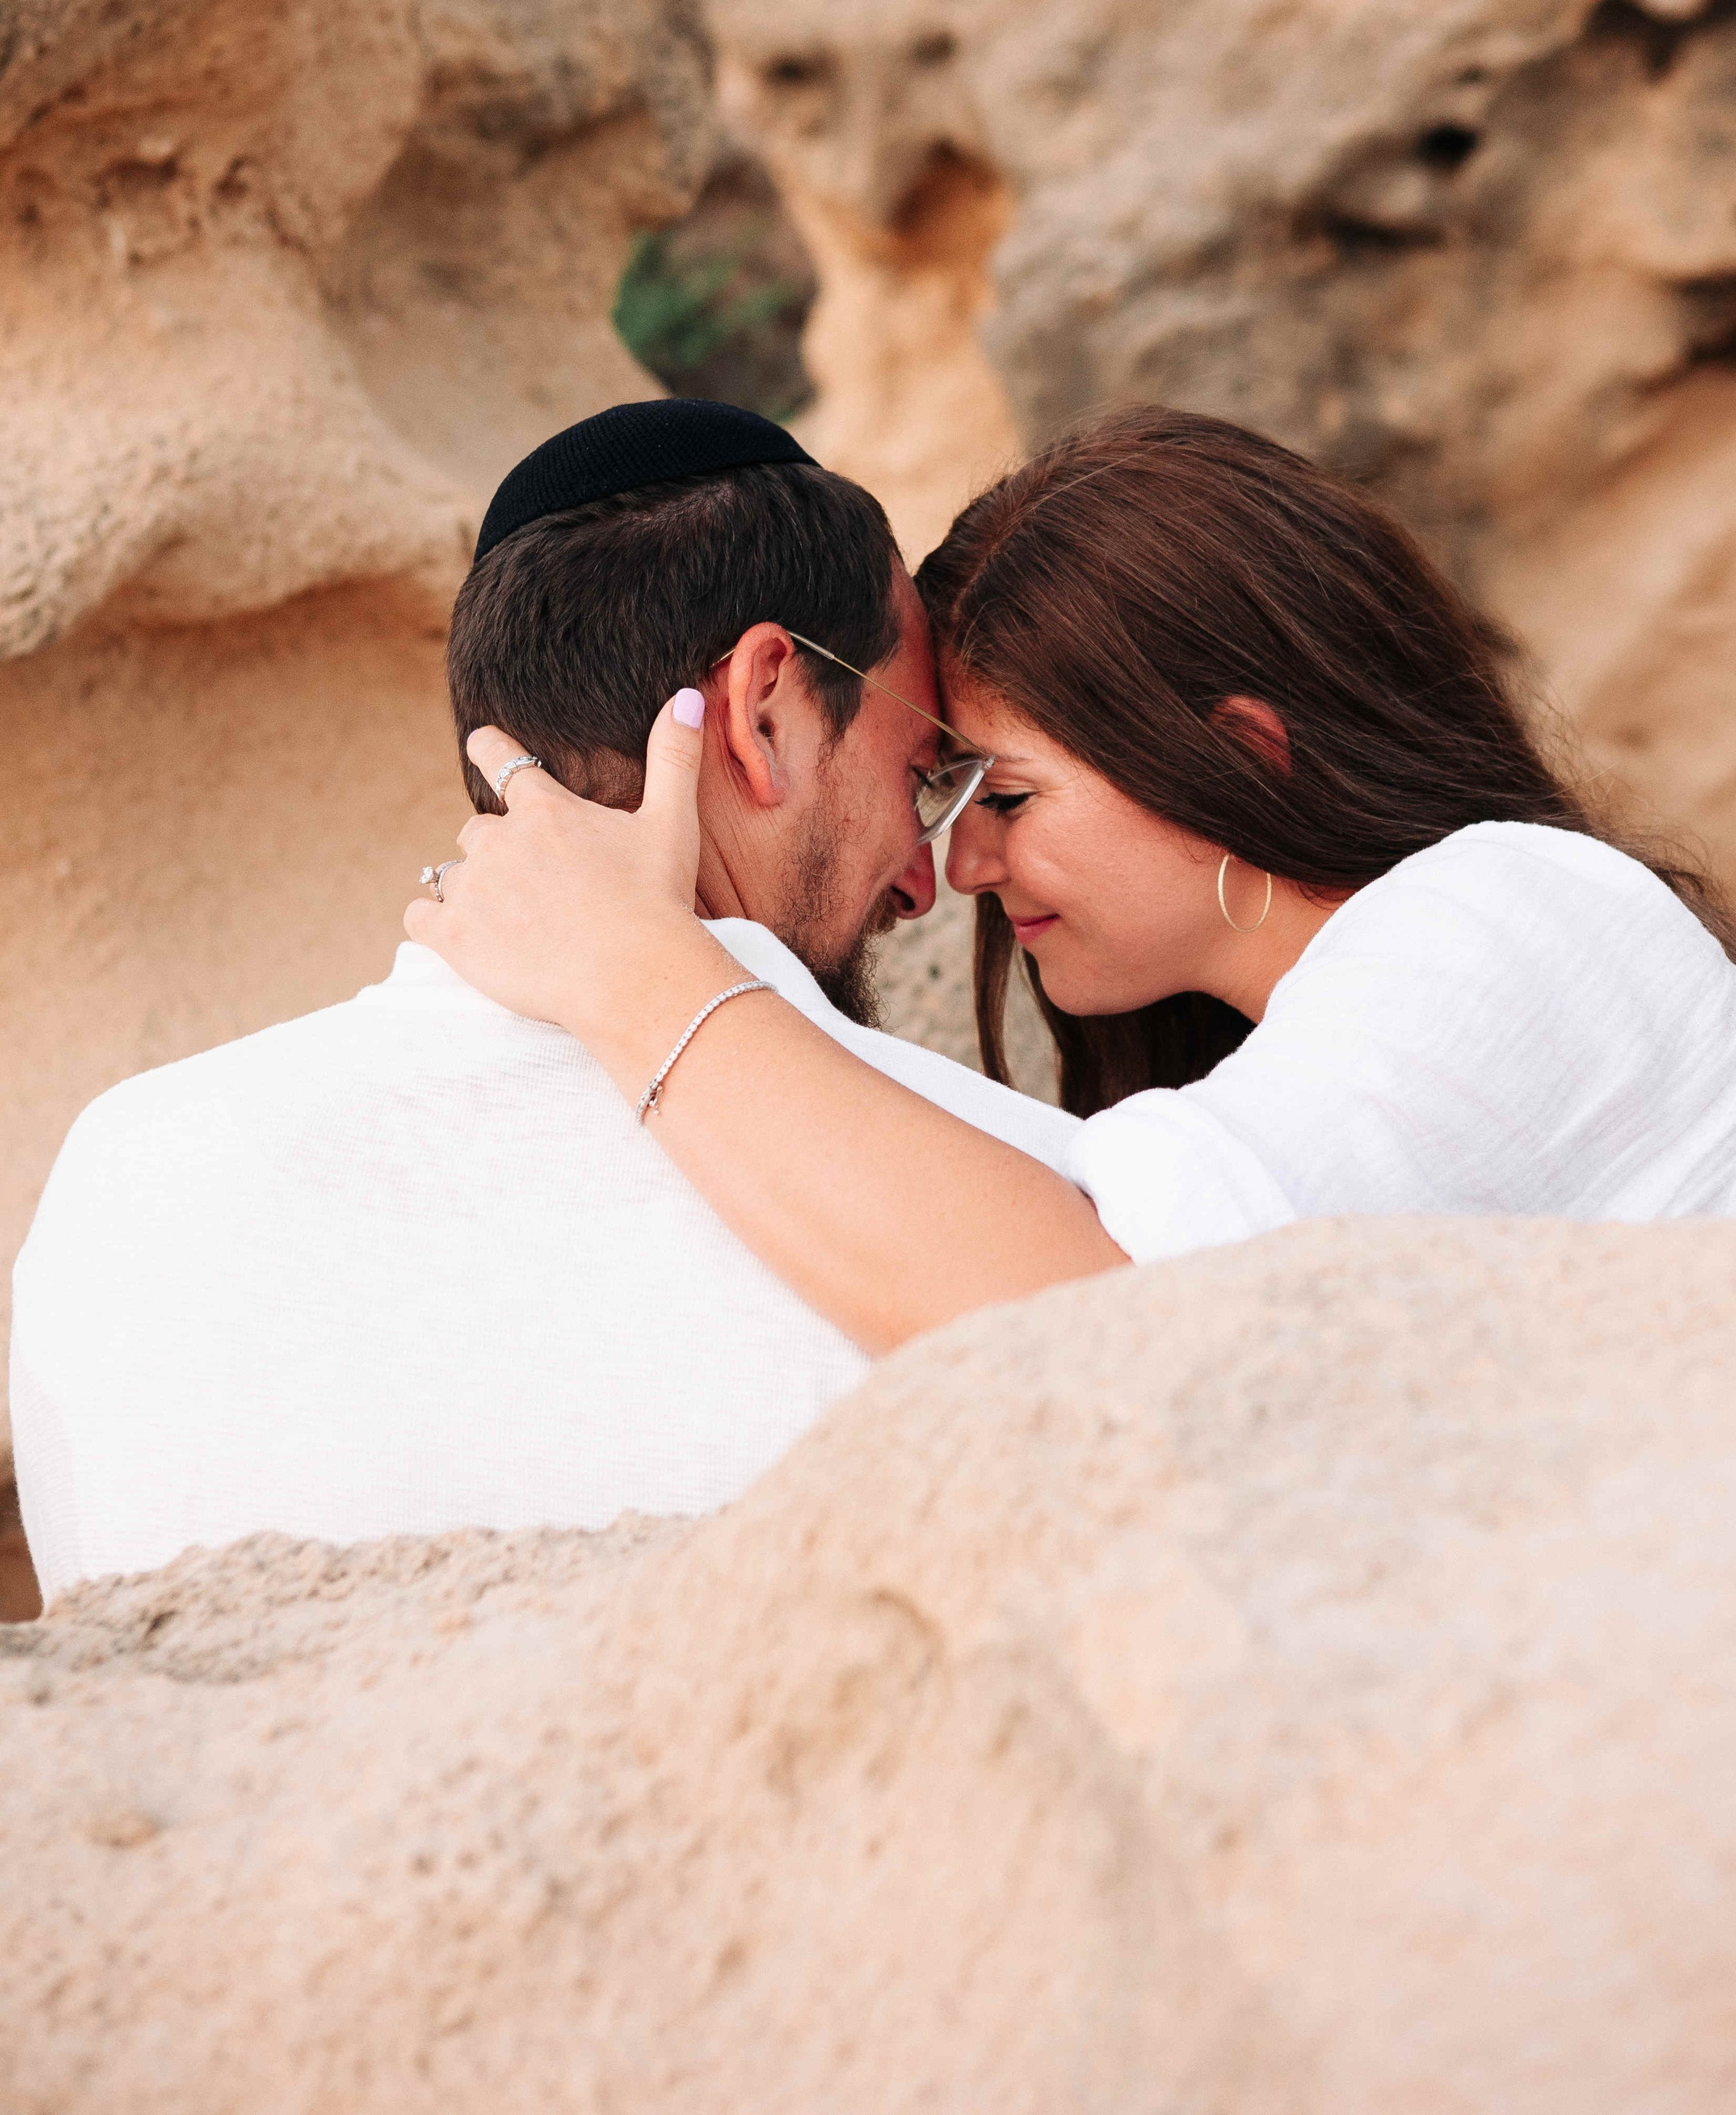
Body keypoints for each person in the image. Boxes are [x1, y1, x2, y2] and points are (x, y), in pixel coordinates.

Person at [411, 407, 1736, 1353]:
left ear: (1234, 757)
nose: (958, 866)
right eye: (947, 794)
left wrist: (629, 969)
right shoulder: (1303, 1061)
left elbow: (1111, 1339)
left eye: (1005, 794)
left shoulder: (1514, 914)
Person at [9, 402, 1088, 1601]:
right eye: (920, 776)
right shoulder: (1020, 1207)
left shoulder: (126, 1173)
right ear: (764, 707)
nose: (925, 881)